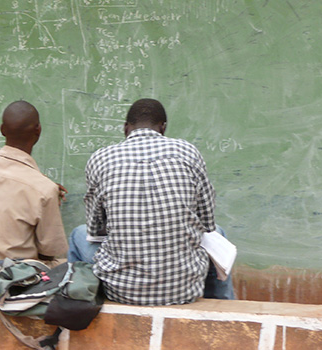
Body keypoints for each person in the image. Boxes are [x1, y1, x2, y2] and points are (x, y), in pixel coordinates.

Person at [68, 98, 235, 306]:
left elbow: (94, 229)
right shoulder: (188, 152)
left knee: (78, 234)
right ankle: (222, 306)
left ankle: (75, 301)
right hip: (183, 290)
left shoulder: (101, 159)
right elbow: (207, 223)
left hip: (122, 290)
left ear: (125, 128)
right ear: (163, 128)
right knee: (218, 232)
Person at [0, 100, 68, 271]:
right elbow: (50, 250)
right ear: (38, 130)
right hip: (13, 278)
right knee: (69, 264)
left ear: (2, 130)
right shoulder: (44, 188)